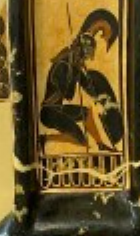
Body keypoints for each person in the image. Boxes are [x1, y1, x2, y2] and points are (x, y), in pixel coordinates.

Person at [40, 10, 122, 149]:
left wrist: (100, 97)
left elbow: (88, 88)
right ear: (80, 50)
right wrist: (75, 71)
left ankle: (101, 144)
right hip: (49, 112)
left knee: (87, 113)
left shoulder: (74, 67)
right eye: (84, 56)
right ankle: (44, 139)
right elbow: (68, 94)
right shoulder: (62, 65)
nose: (85, 59)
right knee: (81, 140)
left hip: (59, 109)